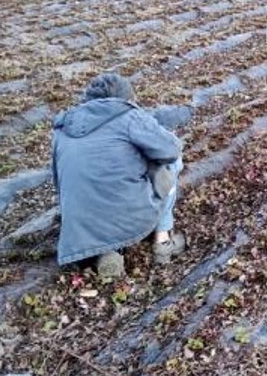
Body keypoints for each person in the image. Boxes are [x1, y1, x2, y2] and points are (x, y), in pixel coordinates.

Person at [52, 73, 186, 276]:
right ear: (127, 98)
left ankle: (107, 251)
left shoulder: (62, 128)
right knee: (172, 164)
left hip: (79, 228)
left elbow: (59, 181)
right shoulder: (129, 116)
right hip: (129, 214)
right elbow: (171, 150)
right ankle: (163, 240)